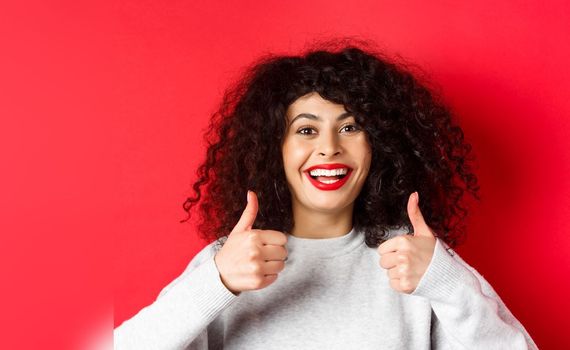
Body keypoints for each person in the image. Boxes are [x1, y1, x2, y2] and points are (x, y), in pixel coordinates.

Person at [114, 44, 539, 349]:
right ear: (272, 149)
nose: (329, 147)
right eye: (306, 130)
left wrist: (447, 284)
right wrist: (216, 282)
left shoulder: (420, 260)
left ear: (379, 146)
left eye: (351, 127)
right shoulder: (229, 263)